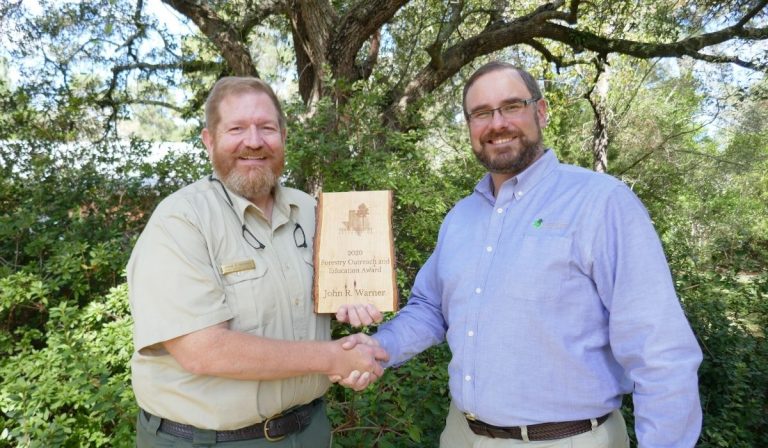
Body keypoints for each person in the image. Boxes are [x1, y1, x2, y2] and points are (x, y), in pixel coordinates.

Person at [338, 61, 703, 447]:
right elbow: (430, 308)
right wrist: (380, 347)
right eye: (481, 113)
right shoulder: (461, 218)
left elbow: (659, 351)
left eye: (511, 106)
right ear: (469, 127)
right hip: (463, 435)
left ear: (541, 111)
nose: (497, 123)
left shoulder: (602, 203)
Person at [127, 76, 388, 447]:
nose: (254, 141)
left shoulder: (313, 212)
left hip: (308, 430)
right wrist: (332, 359)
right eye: (236, 128)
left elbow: (328, 297)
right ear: (209, 140)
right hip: (206, 440)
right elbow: (203, 350)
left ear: (283, 136)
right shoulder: (181, 221)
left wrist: (353, 304)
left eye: (266, 128)